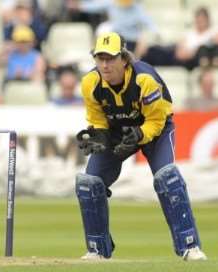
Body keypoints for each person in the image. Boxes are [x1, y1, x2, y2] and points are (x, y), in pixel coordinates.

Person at [75, 32, 207, 261]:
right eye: (100, 58)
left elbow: (156, 121)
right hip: (118, 132)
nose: (105, 65)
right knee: (89, 183)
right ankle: (97, 250)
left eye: (111, 58)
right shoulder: (90, 83)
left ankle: (190, 246)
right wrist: (100, 137)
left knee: (168, 178)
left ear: (124, 59)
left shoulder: (144, 79)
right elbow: (97, 119)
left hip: (155, 130)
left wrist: (138, 136)